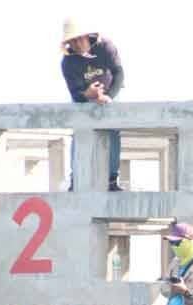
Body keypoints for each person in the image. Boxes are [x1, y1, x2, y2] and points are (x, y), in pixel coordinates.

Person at [60, 18, 124, 191]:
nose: (77, 44)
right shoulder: (68, 63)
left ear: (88, 36)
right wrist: (87, 95)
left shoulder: (106, 48)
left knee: (113, 130)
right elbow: (75, 93)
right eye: (72, 41)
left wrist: (109, 96)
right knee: (79, 130)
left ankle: (111, 178)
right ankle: (76, 178)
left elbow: (119, 73)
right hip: (85, 98)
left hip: (109, 93)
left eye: (79, 38)